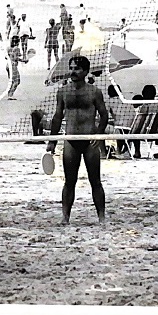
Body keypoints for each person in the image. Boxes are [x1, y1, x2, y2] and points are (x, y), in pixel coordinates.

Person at [46, 56, 108, 225]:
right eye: (72, 68)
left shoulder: (94, 92)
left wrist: (99, 134)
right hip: (71, 139)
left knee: (95, 180)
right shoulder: (63, 91)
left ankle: (101, 218)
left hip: (89, 140)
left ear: (86, 72)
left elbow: (104, 115)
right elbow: (57, 117)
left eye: (77, 69)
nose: (73, 72)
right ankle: (65, 218)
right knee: (69, 181)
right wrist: (52, 141)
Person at [6, 36, 28, 100]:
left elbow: (6, 57)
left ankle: (9, 93)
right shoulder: (17, 48)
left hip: (7, 65)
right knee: (17, 81)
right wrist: (23, 60)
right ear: (18, 42)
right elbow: (15, 58)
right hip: (13, 66)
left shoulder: (8, 48)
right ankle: (10, 95)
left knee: (12, 80)